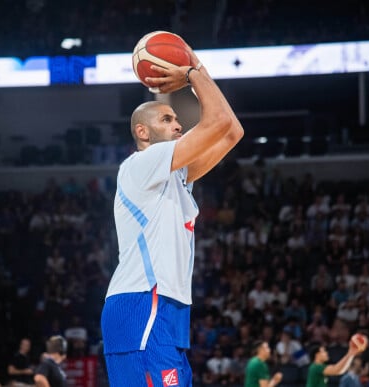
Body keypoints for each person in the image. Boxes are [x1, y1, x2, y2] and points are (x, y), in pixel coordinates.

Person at [100, 34, 244, 386]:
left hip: (168, 305)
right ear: (142, 132)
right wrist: (193, 73)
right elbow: (217, 124)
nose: (178, 124)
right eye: (167, 119)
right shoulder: (141, 163)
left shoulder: (178, 175)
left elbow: (232, 131)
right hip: (141, 301)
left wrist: (194, 64)